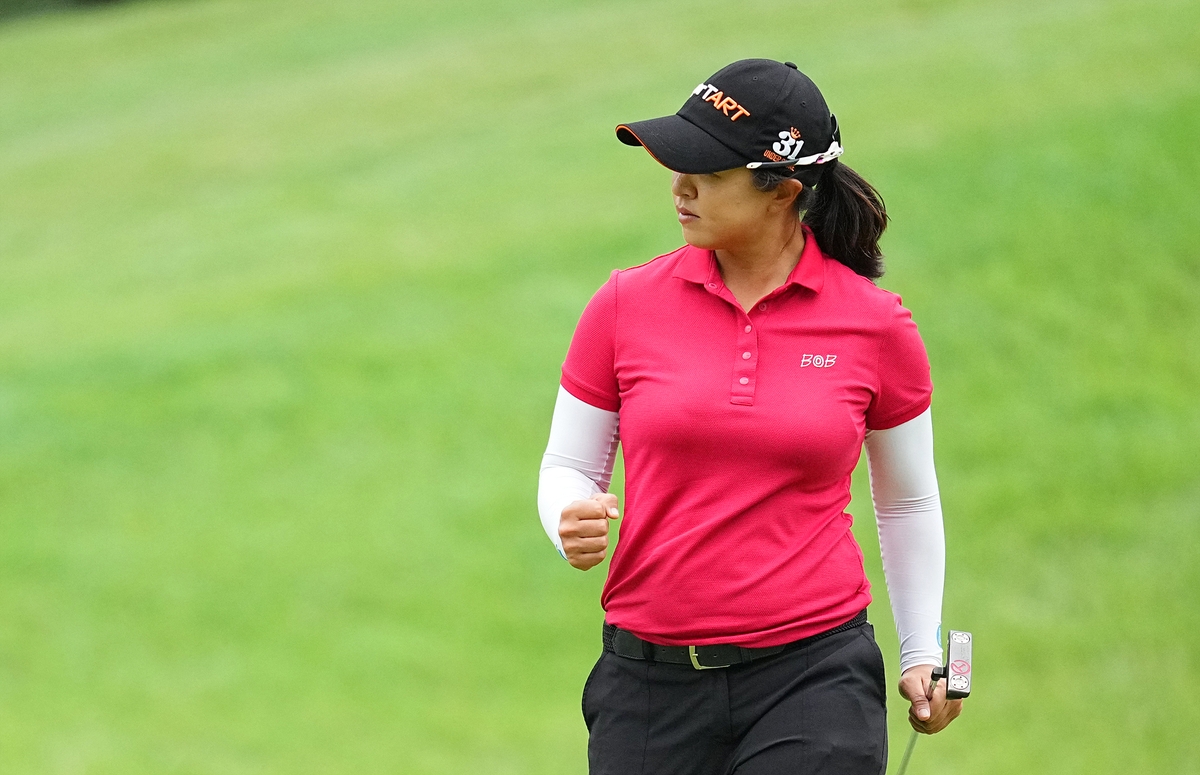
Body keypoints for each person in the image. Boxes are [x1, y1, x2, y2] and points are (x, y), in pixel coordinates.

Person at [537, 58, 962, 774]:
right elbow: (568, 466)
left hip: (813, 675)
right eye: (676, 164)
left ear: (783, 190)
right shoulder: (622, 305)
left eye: (706, 170)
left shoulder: (875, 326)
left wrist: (922, 652)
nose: (679, 186)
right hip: (648, 686)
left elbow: (908, 499)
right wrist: (568, 516)